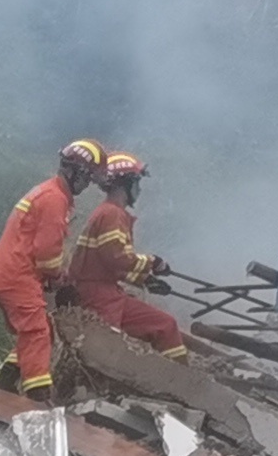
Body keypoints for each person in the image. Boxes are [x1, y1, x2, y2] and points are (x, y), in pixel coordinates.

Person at [0, 136, 109, 398]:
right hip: (18, 277)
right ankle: (38, 399)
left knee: (37, 333)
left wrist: (52, 280)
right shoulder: (54, 199)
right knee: (37, 333)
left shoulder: (49, 192)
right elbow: (47, 254)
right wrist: (59, 279)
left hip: (11, 276)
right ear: (75, 172)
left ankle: (2, 388)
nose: (86, 187)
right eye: (87, 179)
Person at [58, 151, 189, 355]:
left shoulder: (111, 213)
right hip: (97, 297)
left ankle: (183, 383)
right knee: (102, 350)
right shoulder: (111, 214)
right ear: (124, 184)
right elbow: (117, 257)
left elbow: (110, 266)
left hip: (108, 292)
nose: (138, 189)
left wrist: (144, 280)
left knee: (165, 326)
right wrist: (153, 262)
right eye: (136, 183)